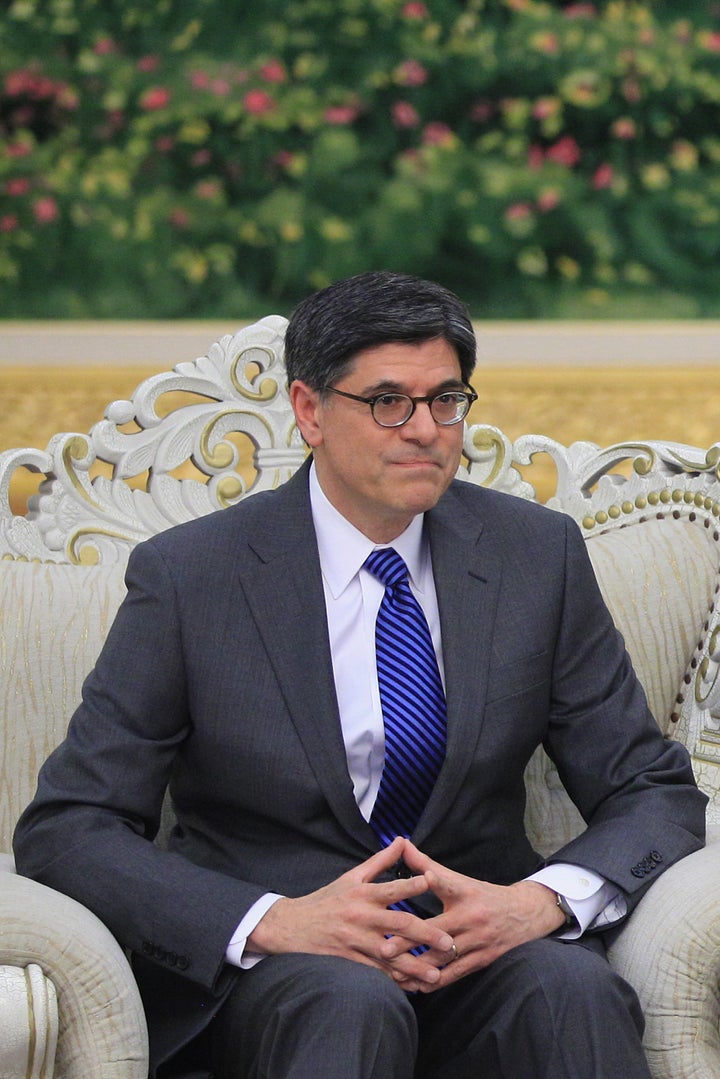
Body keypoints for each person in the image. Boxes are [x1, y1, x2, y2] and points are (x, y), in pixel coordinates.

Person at [14, 270, 706, 1079]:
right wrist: (271, 920)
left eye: (446, 399)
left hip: (475, 953)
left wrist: (538, 901)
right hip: (285, 974)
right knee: (348, 1001)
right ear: (310, 410)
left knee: (572, 989)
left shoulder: (533, 556)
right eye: (388, 401)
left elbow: (649, 789)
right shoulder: (192, 577)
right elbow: (69, 825)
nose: (425, 430)